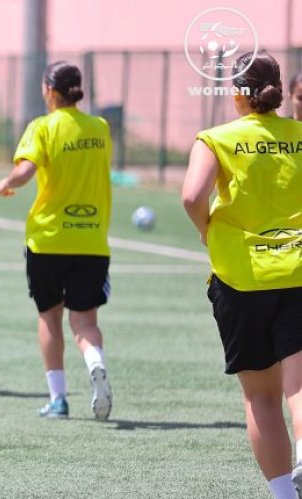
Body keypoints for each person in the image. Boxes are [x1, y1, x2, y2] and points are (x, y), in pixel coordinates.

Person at [181, 52, 302, 499]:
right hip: (299, 272)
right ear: (278, 91)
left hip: (242, 278)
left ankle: (284, 494)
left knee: (262, 397)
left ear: (236, 95)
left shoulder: (215, 139)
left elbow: (193, 195)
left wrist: (207, 230)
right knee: (300, 384)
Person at [0, 61, 113, 421]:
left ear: (48, 90)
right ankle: (94, 360)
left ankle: (58, 400)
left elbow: (26, 170)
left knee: (49, 317)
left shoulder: (42, 127)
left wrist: (7, 183)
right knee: (85, 322)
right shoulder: (100, 127)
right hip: (92, 239)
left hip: (48, 239)